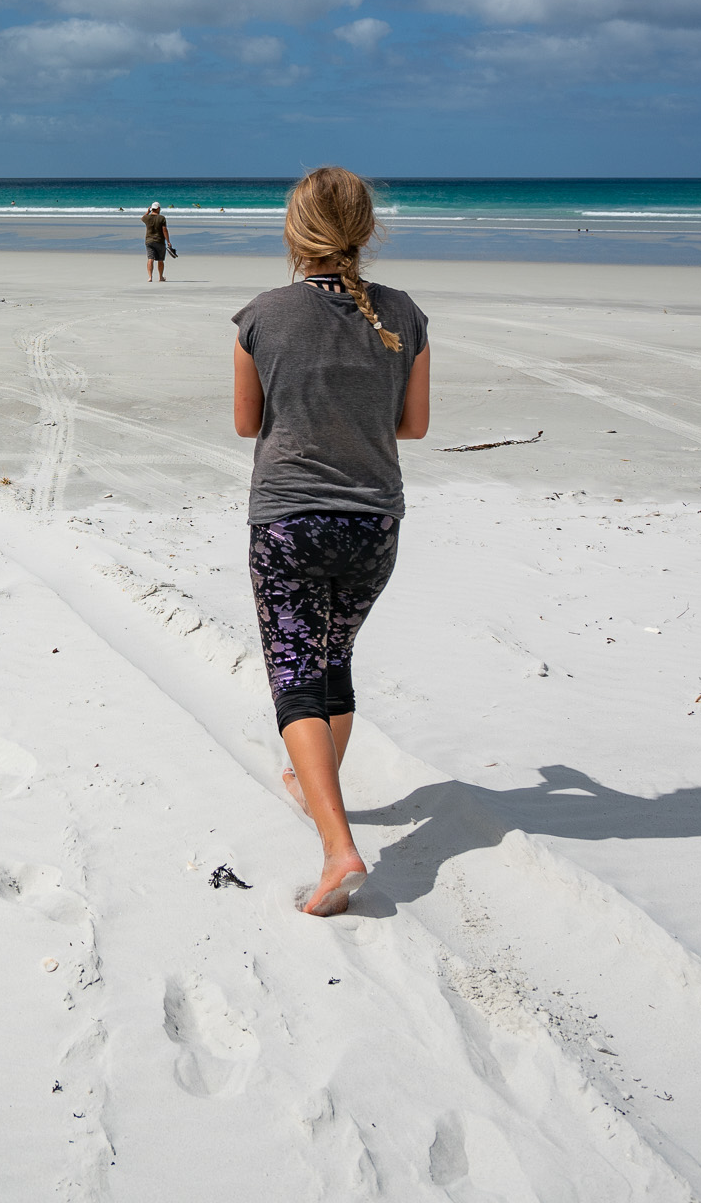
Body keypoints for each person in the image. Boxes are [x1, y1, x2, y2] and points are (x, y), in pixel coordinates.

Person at [229, 166, 429, 916]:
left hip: (290, 520)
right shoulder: (404, 314)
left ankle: (338, 846)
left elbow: (247, 423)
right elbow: (413, 426)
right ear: (366, 231)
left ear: (295, 231)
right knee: (332, 659)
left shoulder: (263, 316)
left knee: (295, 677)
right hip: (373, 524)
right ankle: (312, 787)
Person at [142, 202, 172, 281]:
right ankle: (160, 277)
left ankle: (150, 277)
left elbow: (142, 218)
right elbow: (164, 230)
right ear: (158, 208)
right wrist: (168, 241)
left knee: (150, 259)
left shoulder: (147, 218)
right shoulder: (162, 218)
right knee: (160, 260)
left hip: (149, 241)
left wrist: (147, 212)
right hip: (159, 241)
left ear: (152, 209)